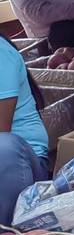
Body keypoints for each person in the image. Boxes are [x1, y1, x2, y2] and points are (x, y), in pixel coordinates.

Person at [0, 34, 51, 224]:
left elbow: (2, 129)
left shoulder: (1, 54)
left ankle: (8, 234)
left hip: (19, 166)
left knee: (3, 146)